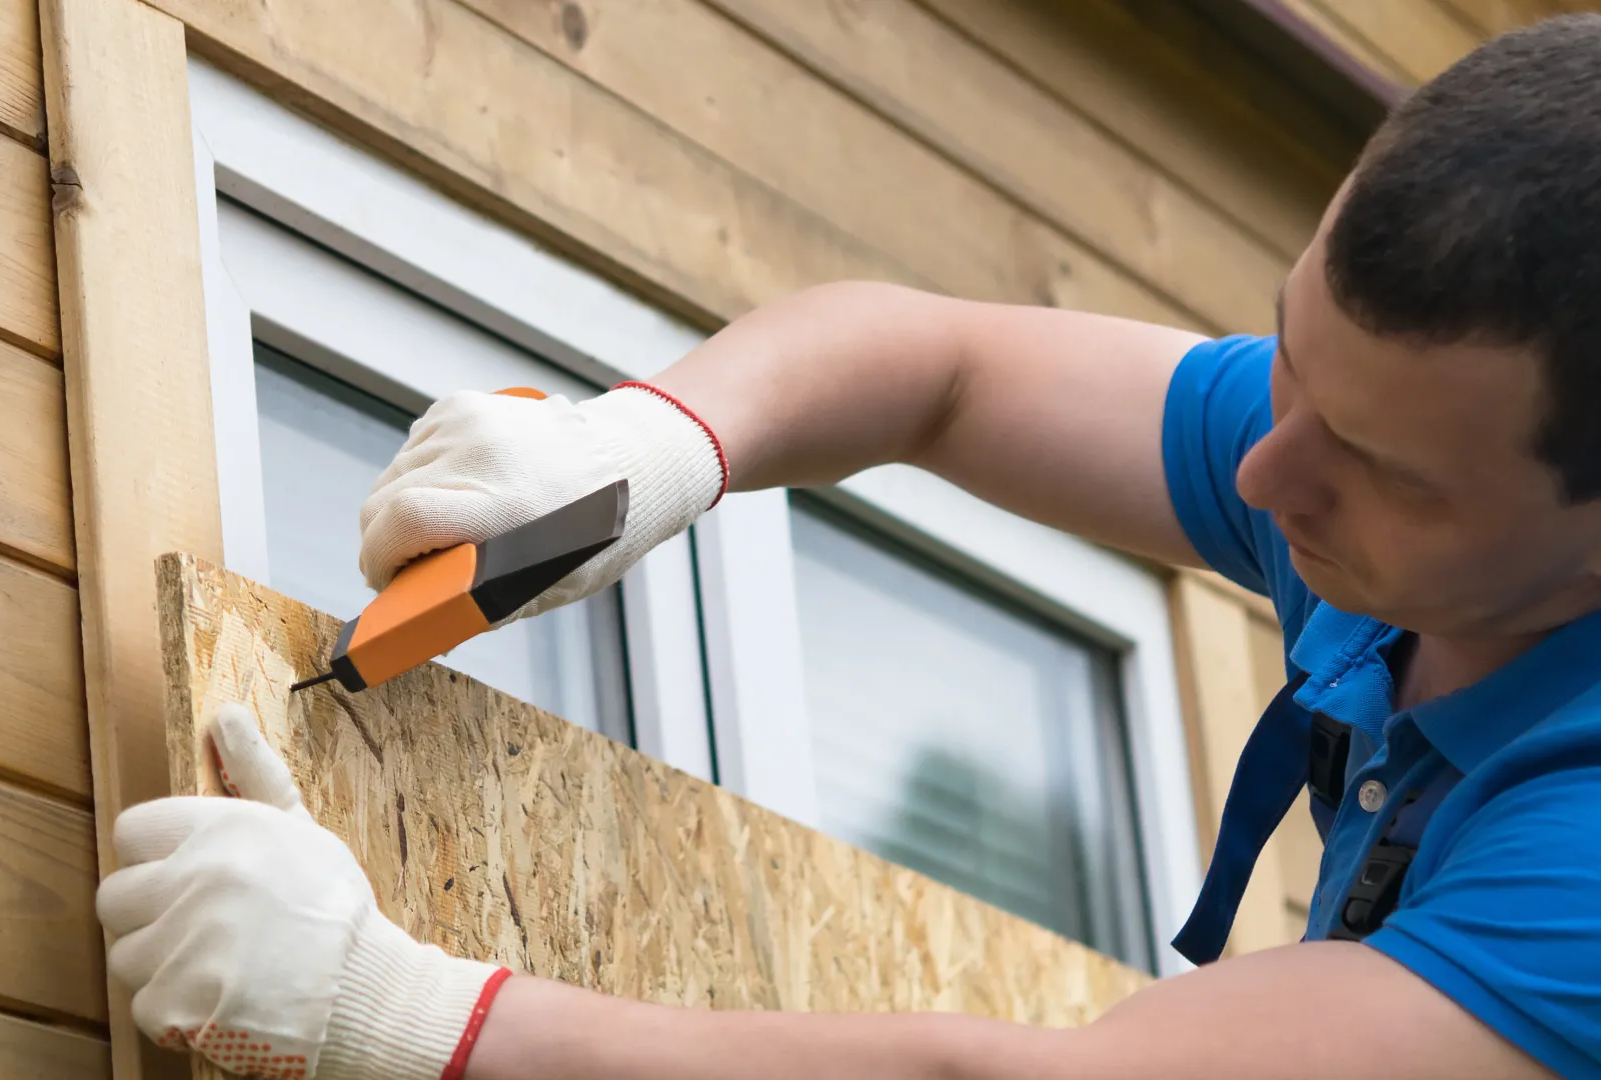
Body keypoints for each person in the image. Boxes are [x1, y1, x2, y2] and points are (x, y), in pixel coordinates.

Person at [94, 18, 1601, 1080]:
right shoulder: (1357, 445)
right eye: (1287, 353)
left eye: (1382, 473)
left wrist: (407, 1015)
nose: (1268, 472)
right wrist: (656, 443)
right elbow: (936, 370)